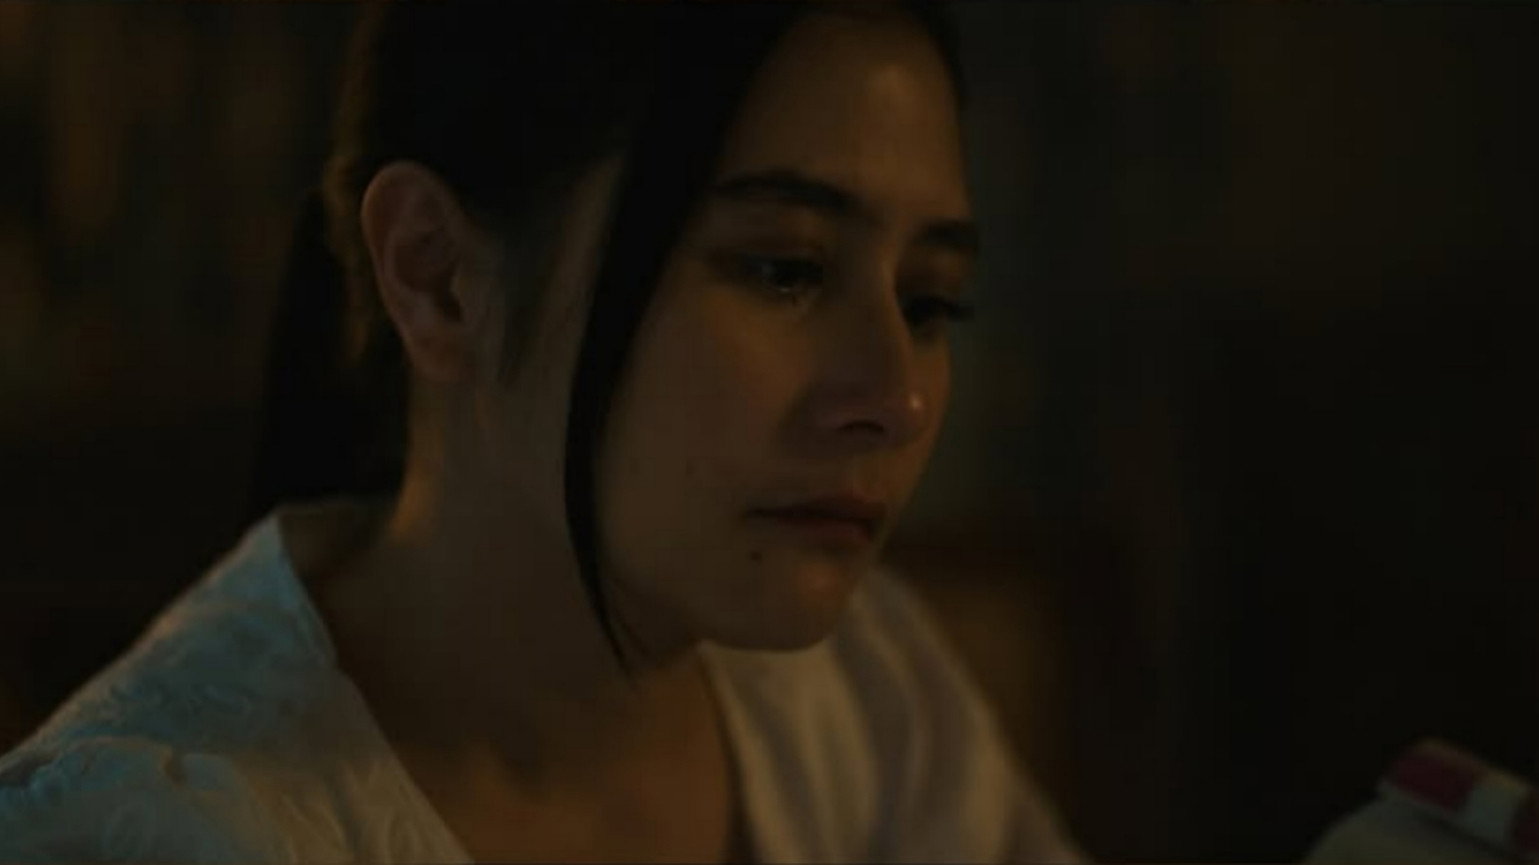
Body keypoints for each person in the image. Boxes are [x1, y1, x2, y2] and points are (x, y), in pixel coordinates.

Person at [0, 2, 1084, 862]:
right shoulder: (156, 830)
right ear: (439, 276)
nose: (896, 396)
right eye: (784, 267)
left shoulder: (865, 699)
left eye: (929, 301)